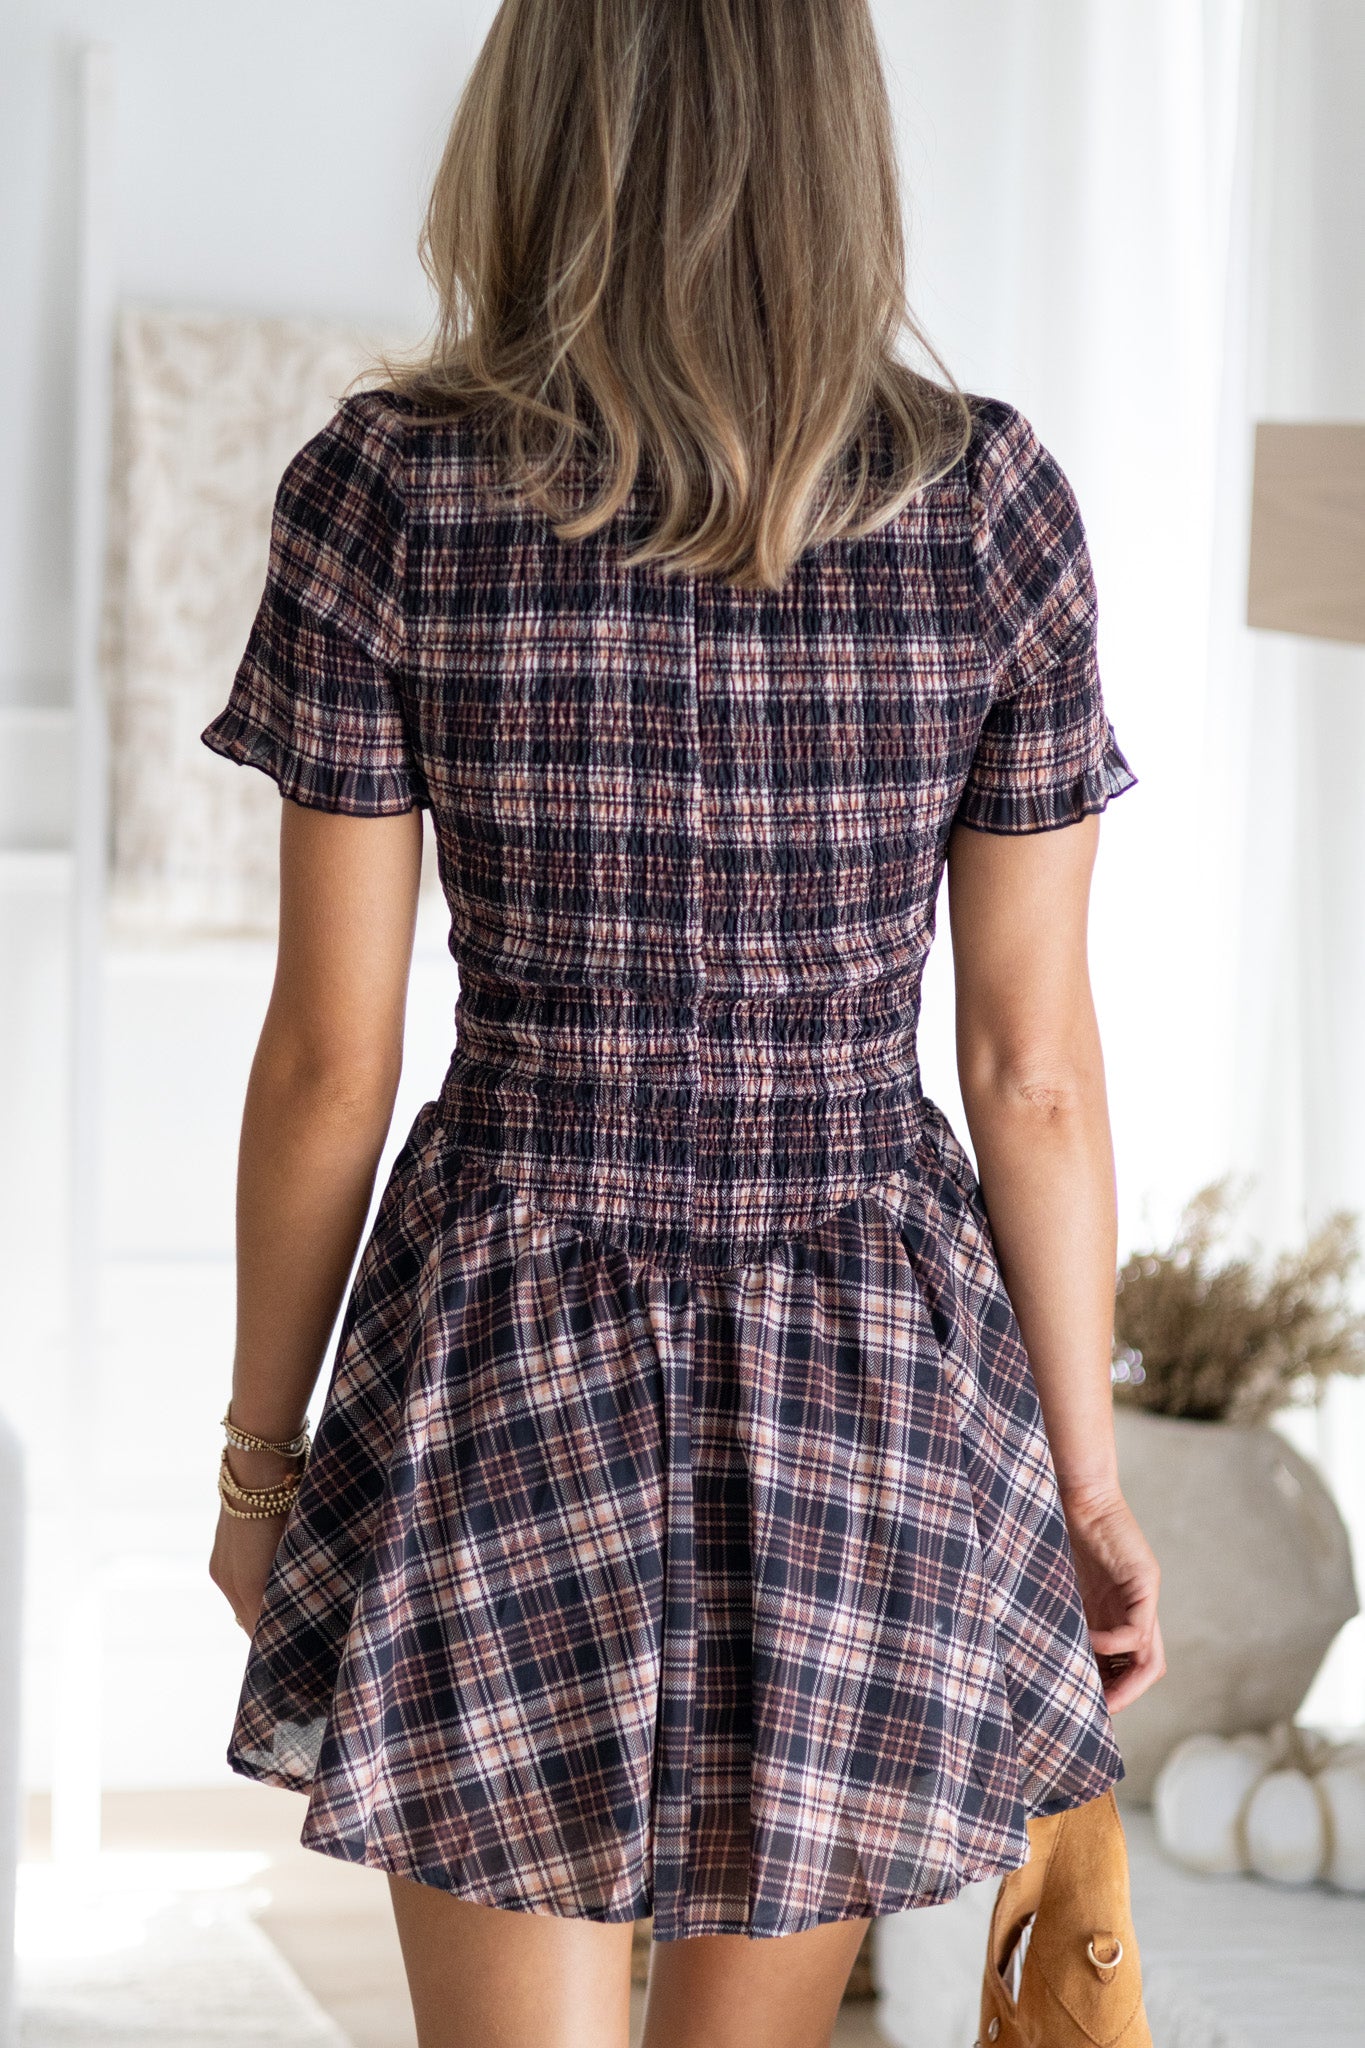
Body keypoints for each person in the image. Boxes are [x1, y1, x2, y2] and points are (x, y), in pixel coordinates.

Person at [202, 3, 1165, 2044]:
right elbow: (1033, 1074)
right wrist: (1079, 1491)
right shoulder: (989, 505)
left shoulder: (383, 492)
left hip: (506, 1345)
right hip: (866, 1364)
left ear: (534, 126)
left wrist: (260, 1470)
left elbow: (328, 1065)